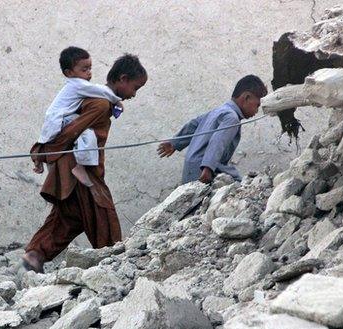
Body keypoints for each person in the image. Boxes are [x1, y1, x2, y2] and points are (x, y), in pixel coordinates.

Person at [23, 54, 147, 273]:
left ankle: (35, 255)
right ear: (123, 79)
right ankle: (114, 264)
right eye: (135, 88)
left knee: (70, 216)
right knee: (103, 211)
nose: (134, 95)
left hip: (78, 169)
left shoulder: (100, 99)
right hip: (81, 171)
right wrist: (42, 151)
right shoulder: (99, 104)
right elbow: (71, 131)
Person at [34, 46, 124, 187]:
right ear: (69, 72)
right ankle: (80, 166)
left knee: (57, 147)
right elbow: (101, 91)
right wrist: (117, 101)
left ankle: (39, 161)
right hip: (60, 121)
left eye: (90, 68)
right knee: (87, 134)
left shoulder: (75, 85)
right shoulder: (78, 84)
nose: (89, 73)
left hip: (53, 122)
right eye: (84, 70)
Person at [157, 75, 268, 184]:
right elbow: (218, 141)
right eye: (257, 105)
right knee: (241, 184)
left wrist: (175, 143)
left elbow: (193, 124)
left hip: (191, 168)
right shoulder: (232, 118)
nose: (257, 111)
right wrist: (208, 168)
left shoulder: (219, 110)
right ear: (246, 97)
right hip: (203, 172)